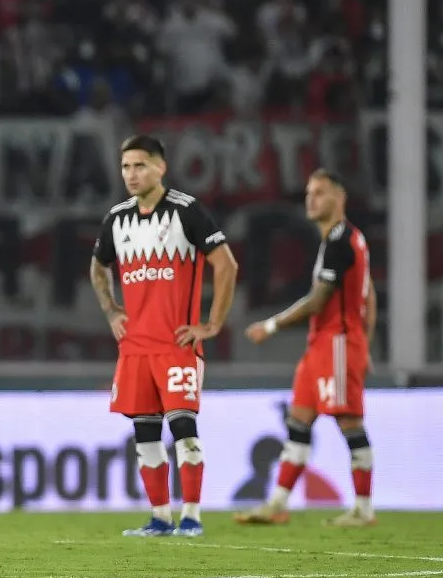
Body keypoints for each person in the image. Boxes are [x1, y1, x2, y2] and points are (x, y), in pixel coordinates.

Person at [90, 135, 239, 538]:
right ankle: (160, 517)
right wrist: (111, 311)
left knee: (183, 430)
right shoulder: (116, 218)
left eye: (140, 165)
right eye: (125, 167)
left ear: (161, 168)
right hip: (135, 347)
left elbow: (226, 265)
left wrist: (212, 324)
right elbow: (98, 266)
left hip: (177, 345)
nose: (131, 175)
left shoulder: (186, 212)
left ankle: (191, 516)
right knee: (145, 434)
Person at [235, 169, 376, 528]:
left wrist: (271, 324)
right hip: (323, 346)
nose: (311, 199)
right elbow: (369, 293)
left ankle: (363, 508)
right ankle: (277, 503)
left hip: (338, 343)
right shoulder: (339, 241)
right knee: (298, 422)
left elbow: (318, 300)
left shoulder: (342, 239)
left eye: (320, 192)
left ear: (339, 198)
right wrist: (368, 342)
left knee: (349, 423)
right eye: (308, 192)